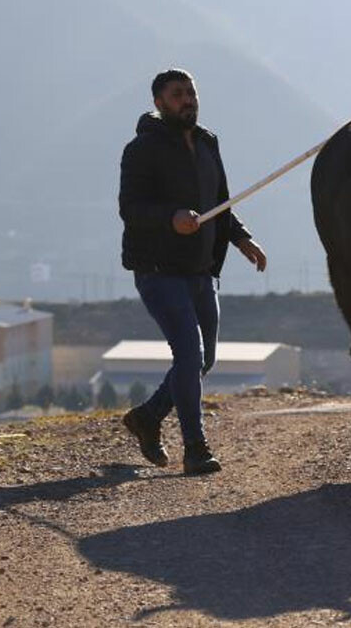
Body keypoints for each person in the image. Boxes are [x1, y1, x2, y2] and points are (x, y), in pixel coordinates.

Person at [118, 68, 267, 475]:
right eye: (178, 94)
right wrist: (172, 217)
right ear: (159, 103)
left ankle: (148, 417)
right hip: (158, 271)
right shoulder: (141, 150)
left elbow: (220, 203)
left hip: (202, 271)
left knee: (204, 359)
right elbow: (130, 209)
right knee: (189, 353)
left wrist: (241, 239)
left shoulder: (207, 143)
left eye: (191, 93)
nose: (188, 100)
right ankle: (195, 447)